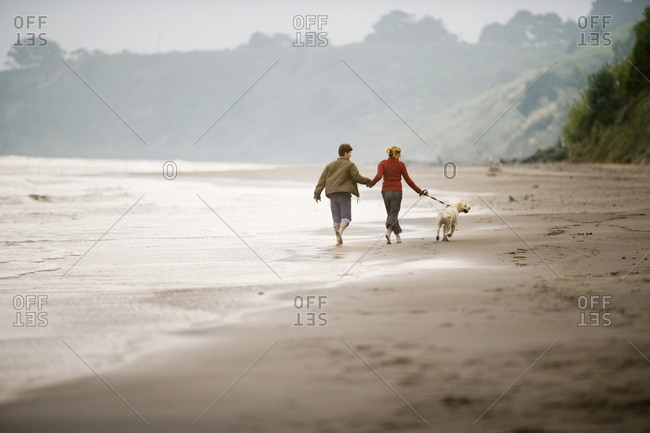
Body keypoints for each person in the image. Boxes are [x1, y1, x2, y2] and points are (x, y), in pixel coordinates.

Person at [314, 143, 371, 246]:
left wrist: (317, 193)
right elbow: (357, 177)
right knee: (346, 217)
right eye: (350, 153)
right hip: (344, 194)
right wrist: (368, 181)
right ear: (345, 153)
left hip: (332, 194)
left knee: (336, 219)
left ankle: (337, 240)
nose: (350, 155)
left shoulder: (329, 165)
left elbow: (322, 180)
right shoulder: (350, 164)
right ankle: (340, 232)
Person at [368, 146, 428, 244]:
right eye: (399, 155)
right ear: (397, 154)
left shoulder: (382, 164)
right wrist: (419, 191)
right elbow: (408, 180)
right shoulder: (400, 165)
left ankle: (398, 237)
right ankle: (388, 233)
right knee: (393, 214)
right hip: (396, 192)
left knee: (391, 215)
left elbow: (379, 176)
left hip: (385, 192)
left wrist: (371, 184)